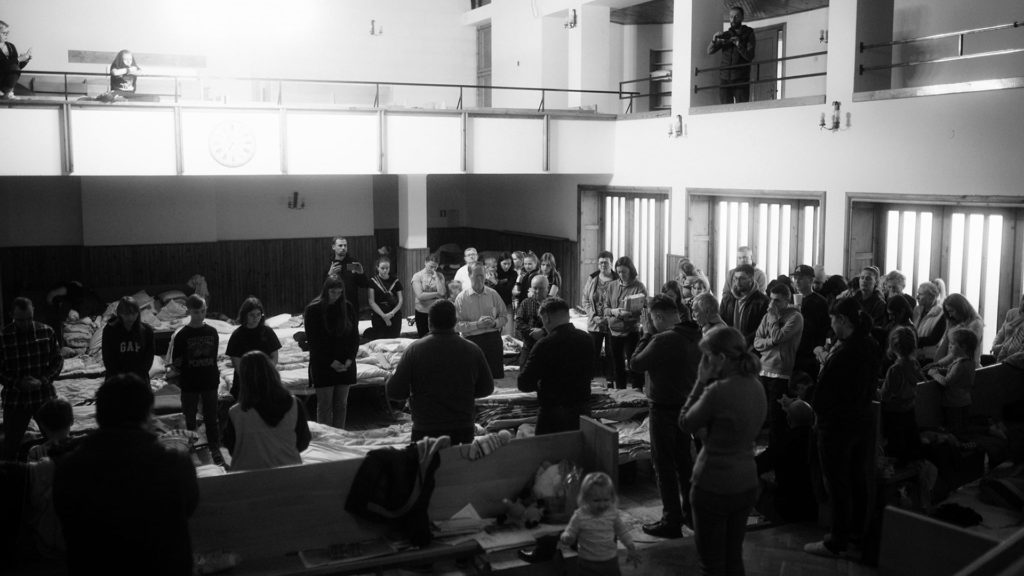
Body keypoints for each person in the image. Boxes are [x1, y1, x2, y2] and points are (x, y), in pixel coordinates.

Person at [54, 373, 199, 576]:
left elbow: (65, 521)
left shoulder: (68, 468)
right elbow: (188, 508)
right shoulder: (175, 463)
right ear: (149, 414)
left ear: (98, 417)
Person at [679, 327, 766, 576]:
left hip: (713, 484)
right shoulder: (756, 385)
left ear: (721, 358)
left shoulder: (718, 391)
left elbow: (685, 422)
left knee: (712, 564)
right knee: (733, 558)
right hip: (747, 480)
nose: (704, 362)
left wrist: (700, 380)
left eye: (707, 357)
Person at [803, 298, 880, 559]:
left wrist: (814, 411)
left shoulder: (847, 351)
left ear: (843, 320)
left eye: (833, 320)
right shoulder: (868, 343)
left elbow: (829, 390)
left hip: (837, 425)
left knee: (837, 484)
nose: (830, 324)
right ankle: (855, 535)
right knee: (857, 481)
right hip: (861, 421)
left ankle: (836, 541)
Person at [630, 294, 702, 537]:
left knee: (663, 463)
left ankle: (671, 520)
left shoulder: (663, 339)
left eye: (651, 318)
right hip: (685, 404)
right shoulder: (694, 334)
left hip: (663, 406)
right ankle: (691, 514)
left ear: (658, 317)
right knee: (684, 462)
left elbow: (636, 364)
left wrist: (646, 333)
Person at [388, 300, 494, 444]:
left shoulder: (415, 350)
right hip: (463, 429)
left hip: (426, 429)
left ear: (429, 321)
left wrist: (392, 379)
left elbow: (394, 392)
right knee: (459, 465)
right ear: (455, 321)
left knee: (427, 465)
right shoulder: (473, 349)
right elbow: (487, 388)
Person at [223, 350, 311, 471]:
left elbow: (232, 448)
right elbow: (303, 442)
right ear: (272, 372)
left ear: (244, 378)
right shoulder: (295, 404)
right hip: (290, 473)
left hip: (248, 479)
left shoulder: (236, 413)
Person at [518, 297, 594, 434]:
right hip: (583, 411)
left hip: (552, 415)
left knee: (548, 454)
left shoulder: (544, 344)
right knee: (578, 452)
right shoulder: (587, 339)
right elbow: (593, 371)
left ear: (546, 318)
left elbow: (524, 383)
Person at [1, 297, 63, 461]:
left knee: (56, 442)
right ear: (11, 316)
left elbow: (57, 362)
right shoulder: (3, 337)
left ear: (33, 313)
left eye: (29, 318)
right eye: (20, 320)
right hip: (15, 398)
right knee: (10, 447)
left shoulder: (47, 332)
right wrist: (17, 382)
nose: (26, 323)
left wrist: (42, 380)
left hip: (43, 395)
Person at [753, 282, 803, 473]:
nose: (772, 304)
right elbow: (758, 342)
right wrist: (770, 341)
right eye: (771, 299)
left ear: (787, 301)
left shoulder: (795, 317)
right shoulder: (768, 316)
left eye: (777, 301)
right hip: (763, 369)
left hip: (781, 372)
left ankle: (776, 457)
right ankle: (766, 455)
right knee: (762, 413)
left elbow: (778, 338)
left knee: (776, 418)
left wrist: (773, 322)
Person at [170, 295, 223, 465]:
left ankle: (215, 448)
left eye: (202, 311)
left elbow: (214, 357)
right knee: (190, 418)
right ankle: (191, 448)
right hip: (189, 382)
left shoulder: (212, 332)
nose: (200, 315)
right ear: (189, 311)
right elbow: (177, 362)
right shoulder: (182, 335)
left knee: (211, 418)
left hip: (209, 380)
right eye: (196, 312)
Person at [304, 276, 360, 429]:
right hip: (323, 363)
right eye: (332, 292)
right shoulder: (313, 310)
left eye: (339, 292)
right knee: (325, 406)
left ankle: (339, 437)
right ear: (326, 291)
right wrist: (331, 362)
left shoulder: (347, 307)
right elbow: (314, 342)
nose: (336, 296)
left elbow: (354, 336)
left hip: (345, 362)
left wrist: (350, 358)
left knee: (341, 404)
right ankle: (326, 439)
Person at [559, 471, 641, 576]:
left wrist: (631, 547)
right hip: (587, 562)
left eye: (606, 500)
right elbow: (570, 531)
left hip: (609, 561)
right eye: (596, 500)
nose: (602, 505)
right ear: (586, 499)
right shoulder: (579, 516)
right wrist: (567, 537)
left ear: (611, 498)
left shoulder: (613, 513)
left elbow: (622, 532)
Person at [456, 262, 508, 378]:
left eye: (482, 276)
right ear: (469, 275)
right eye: (476, 275)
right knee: (474, 377)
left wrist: (495, 323)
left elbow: (504, 317)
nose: (480, 279)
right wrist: (477, 325)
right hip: (471, 339)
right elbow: (456, 325)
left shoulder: (493, 294)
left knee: (496, 376)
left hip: (492, 337)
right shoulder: (461, 298)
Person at [603, 256, 648, 390]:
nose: (622, 275)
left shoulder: (639, 287)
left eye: (624, 272)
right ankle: (620, 392)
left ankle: (637, 391)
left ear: (631, 271)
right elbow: (605, 309)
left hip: (631, 331)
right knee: (617, 365)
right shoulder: (612, 286)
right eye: (619, 272)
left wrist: (631, 314)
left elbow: (644, 309)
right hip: (614, 330)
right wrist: (614, 311)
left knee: (634, 364)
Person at [880, 327, 923, 464]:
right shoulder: (915, 364)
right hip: (910, 410)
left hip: (894, 414)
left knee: (896, 448)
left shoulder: (894, 369)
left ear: (893, 347)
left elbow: (885, 395)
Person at [225, 296, 282, 400]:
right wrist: (250, 379)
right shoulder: (237, 335)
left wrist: (267, 373)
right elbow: (237, 364)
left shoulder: (268, 332)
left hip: (266, 379)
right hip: (244, 382)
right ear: (245, 315)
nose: (255, 318)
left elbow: (274, 356)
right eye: (251, 315)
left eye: (258, 314)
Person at [926, 328, 978, 435]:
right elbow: (956, 375)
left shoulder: (959, 364)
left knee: (955, 429)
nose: (949, 346)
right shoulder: (970, 361)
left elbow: (947, 382)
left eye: (953, 344)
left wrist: (934, 374)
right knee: (963, 427)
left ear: (963, 347)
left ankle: (961, 445)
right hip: (965, 400)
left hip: (954, 402)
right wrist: (941, 370)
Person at [706, 6, 755, 104]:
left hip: (741, 79)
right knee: (725, 111)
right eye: (731, 17)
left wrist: (738, 44)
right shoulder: (726, 35)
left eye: (736, 17)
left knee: (742, 110)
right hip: (725, 79)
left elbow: (750, 56)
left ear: (742, 18)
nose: (733, 19)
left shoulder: (749, 34)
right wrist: (713, 40)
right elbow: (709, 51)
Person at [101, 295, 156, 384]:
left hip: (139, 377)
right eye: (126, 314)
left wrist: (137, 376)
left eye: (134, 313)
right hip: (116, 378)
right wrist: (121, 378)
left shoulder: (147, 331)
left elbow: (148, 358)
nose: (130, 317)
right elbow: (108, 359)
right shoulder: (110, 330)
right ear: (120, 313)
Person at [582, 250, 618, 381]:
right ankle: (588, 381)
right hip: (595, 323)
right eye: (601, 263)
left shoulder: (617, 279)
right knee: (592, 354)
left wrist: (609, 318)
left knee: (612, 354)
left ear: (611, 263)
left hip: (612, 323)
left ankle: (611, 381)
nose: (603, 265)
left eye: (606, 263)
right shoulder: (592, 278)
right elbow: (585, 300)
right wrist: (593, 316)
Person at [926, 293, 984, 369]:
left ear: (961, 308)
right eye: (948, 312)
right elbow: (942, 348)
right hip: (952, 367)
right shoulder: (953, 322)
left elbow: (960, 351)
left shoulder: (975, 324)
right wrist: (936, 363)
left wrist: (939, 364)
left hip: (966, 369)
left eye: (951, 311)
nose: (950, 315)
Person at [791, 265, 829, 381]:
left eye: (801, 278)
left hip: (809, 353)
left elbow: (823, 329)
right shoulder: (790, 300)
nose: (797, 281)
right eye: (795, 277)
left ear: (811, 280)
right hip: (792, 351)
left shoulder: (820, 302)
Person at [719, 264, 769, 349]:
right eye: (735, 278)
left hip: (751, 347)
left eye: (742, 279)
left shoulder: (762, 301)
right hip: (729, 345)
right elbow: (721, 321)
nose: (737, 282)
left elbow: (762, 328)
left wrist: (746, 341)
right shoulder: (727, 299)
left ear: (751, 279)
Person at [326, 236, 367, 314]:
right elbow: (324, 288)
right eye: (340, 245)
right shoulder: (329, 264)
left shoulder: (353, 263)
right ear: (333, 247)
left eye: (345, 245)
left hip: (352, 305)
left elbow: (364, 284)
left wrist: (361, 274)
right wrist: (329, 275)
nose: (343, 248)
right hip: (334, 306)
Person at [515, 274, 550, 365]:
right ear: (530, 288)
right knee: (524, 372)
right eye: (535, 288)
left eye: (541, 288)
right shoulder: (525, 303)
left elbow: (560, 324)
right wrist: (532, 332)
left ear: (547, 288)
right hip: (529, 345)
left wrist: (542, 331)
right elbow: (519, 322)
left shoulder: (554, 304)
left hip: (549, 345)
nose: (537, 291)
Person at [367, 256, 404, 340]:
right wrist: (383, 316)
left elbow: (400, 300)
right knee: (380, 341)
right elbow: (371, 301)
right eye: (382, 268)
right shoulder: (372, 281)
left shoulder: (395, 281)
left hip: (394, 314)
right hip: (379, 314)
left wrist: (391, 313)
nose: (385, 270)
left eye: (387, 268)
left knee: (394, 340)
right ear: (377, 268)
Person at [410, 253, 447, 338]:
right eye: (431, 266)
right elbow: (420, 296)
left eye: (435, 267)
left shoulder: (440, 276)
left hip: (436, 312)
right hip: (422, 312)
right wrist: (436, 294)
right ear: (425, 263)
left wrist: (436, 277)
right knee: (424, 338)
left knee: (438, 337)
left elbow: (442, 293)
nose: (433, 269)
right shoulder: (417, 276)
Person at [27, 397, 74, 462]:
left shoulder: (36, 452)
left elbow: (32, 471)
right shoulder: (81, 445)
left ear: (42, 426)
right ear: (72, 421)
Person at [913, 280, 946, 365]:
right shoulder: (917, 310)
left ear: (931, 297)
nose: (917, 297)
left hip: (930, 358)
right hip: (915, 354)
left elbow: (934, 339)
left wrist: (911, 340)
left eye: (920, 294)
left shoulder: (941, 314)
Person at [0, 21, 31, 100]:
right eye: (4, 33)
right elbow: (3, 65)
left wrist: (25, 60)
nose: (7, 35)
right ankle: (5, 92)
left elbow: (16, 67)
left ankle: (6, 92)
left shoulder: (11, 46)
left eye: (8, 32)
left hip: (9, 85)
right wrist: (18, 59)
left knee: (15, 68)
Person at [991, 295, 1024, 362]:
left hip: (1015, 358)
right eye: (1023, 299)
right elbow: (1001, 333)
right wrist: (994, 346)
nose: (1023, 303)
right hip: (1002, 351)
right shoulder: (1012, 313)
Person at [494, 252, 518, 336]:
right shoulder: (494, 272)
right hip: (494, 306)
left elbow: (507, 290)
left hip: (507, 305)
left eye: (509, 263)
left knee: (508, 333)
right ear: (499, 263)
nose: (507, 266)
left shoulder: (513, 273)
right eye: (504, 263)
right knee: (494, 332)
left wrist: (495, 282)